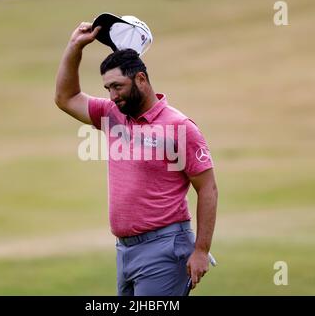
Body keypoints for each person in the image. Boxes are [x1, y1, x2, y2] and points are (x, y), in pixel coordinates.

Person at [54, 21, 218, 296]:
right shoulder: (113, 115)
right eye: (107, 88)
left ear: (141, 79)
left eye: (118, 86)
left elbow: (208, 188)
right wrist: (75, 47)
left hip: (165, 249)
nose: (112, 95)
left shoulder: (179, 127)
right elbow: (65, 97)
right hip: (125, 250)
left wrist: (201, 250)